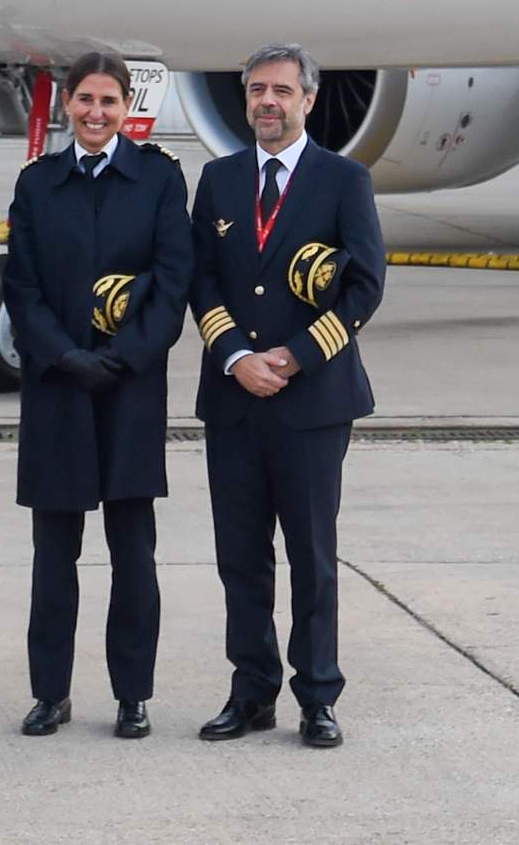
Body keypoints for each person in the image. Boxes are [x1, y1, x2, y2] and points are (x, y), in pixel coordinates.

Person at [187, 43, 384, 749]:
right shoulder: (219, 179)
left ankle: (318, 696)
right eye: (256, 90)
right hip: (235, 398)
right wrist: (235, 356)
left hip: (313, 402)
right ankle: (251, 692)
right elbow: (201, 279)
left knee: (312, 557)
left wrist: (295, 357)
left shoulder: (344, 180)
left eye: (281, 91)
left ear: (308, 100)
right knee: (240, 558)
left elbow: (365, 285)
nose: (267, 102)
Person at [1, 50, 192, 739]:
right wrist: (64, 356)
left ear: (125, 108)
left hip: (129, 393)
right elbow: (21, 287)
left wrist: (122, 356)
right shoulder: (38, 183)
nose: (95, 112)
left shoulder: (159, 180)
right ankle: (50, 693)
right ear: (68, 104)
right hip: (57, 390)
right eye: (85, 99)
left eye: (108, 101)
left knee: (133, 554)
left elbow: (172, 283)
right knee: (53, 556)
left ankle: (132, 694)